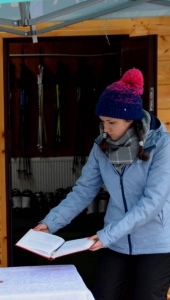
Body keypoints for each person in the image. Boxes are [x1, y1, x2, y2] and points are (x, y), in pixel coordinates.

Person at [34, 68, 170, 300]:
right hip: (115, 242)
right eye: (102, 122)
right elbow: (84, 191)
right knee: (103, 295)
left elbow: (152, 203)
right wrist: (50, 224)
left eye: (111, 122)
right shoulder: (101, 145)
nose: (105, 129)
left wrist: (107, 235)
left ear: (131, 120)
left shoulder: (162, 145)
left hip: (155, 243)